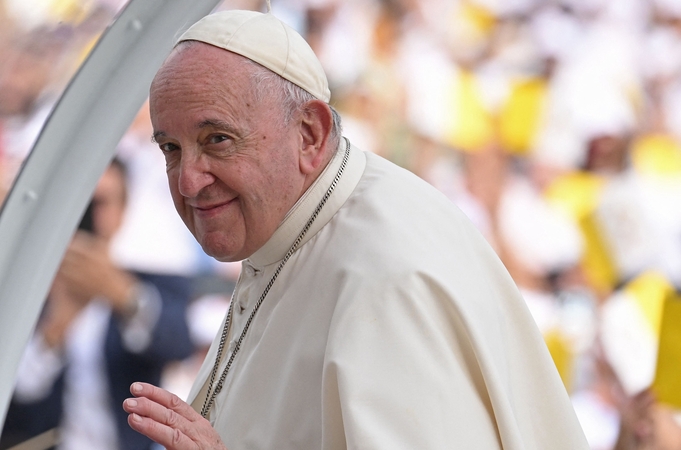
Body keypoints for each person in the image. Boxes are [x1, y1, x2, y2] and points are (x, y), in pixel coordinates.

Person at [122, 8, 589, 449]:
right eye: (171, 148)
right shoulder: (289, 229)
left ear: (309, 134)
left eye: (217, 140)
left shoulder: (391, 278)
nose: (188, 181)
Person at [0, 159, 195, 450]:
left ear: (122, 210)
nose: (90, 214)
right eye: (82, 202)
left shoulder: (148, 280)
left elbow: (178, 344)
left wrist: (125, 297)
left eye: (101, 202)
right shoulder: (26, 286)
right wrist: (57, 326)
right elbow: (16, 399)